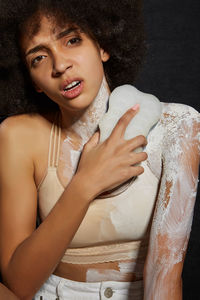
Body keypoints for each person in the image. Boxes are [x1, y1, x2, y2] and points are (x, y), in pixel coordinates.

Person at [0, 0, 199, 299]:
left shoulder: (178, 125)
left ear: (103, 46)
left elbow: (165, 278)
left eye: (72, 40)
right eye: (38, 58)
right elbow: (18, 284)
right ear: (33, 82)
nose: (60, 65)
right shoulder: (18, 135)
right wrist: (85, 183)